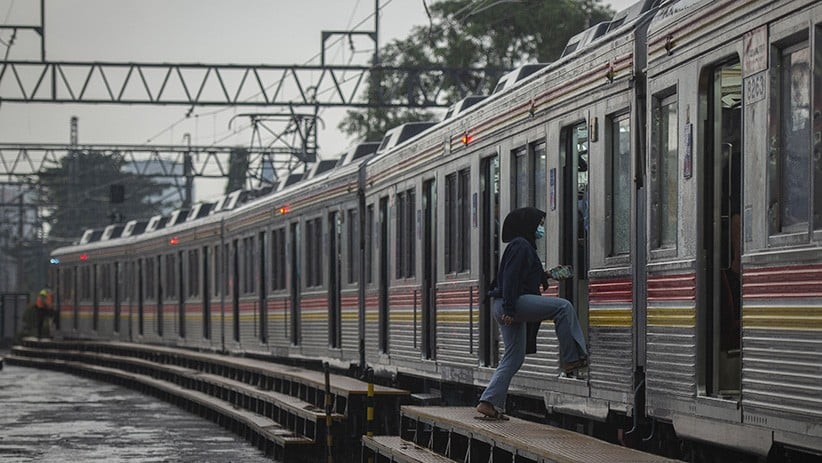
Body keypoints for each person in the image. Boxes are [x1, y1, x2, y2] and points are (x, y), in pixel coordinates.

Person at [476, 207, 588, 421]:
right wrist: (510, 308)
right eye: (540, 224)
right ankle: (572, 358)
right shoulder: (520, 245)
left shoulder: (522, 246)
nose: (541, 228)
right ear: (528, 224)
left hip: (504, 303)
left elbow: (523, 276)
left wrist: (548, 275)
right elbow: (509, 278)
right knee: (562, 307)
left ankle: (488, 402)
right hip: (510, 303)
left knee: (514, 357)